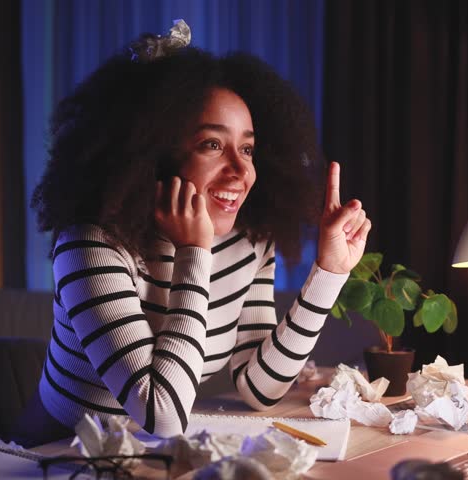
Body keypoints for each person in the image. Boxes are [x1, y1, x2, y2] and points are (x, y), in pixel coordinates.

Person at [20, 21, 372, 442]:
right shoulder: (90, 246)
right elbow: (161, 413)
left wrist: (328, 273)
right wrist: (194, 253)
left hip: (156, 459)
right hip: (59, 455)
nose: (241, 171)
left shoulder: (250, 239)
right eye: (212, 145)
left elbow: (260, 387)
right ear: (155, 154)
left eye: (247, 148)